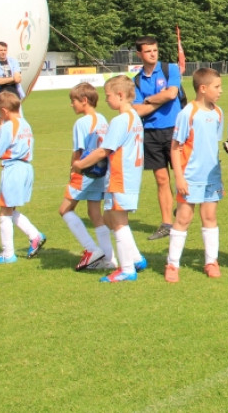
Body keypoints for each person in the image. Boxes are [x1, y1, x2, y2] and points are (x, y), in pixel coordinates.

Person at [73, 75, 147, 283]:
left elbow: (104, 151)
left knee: (118, 221)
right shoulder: (134, 117)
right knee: (111, 218)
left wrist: (80, 164)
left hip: (119, 176)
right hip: (131, 175)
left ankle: (126, 269)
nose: (106, 100)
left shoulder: (120, 120)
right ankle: (135, 258)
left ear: (121, 95)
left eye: (108, 96)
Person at [164, 68, 225, 282]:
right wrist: (179, 177)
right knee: (183, 218)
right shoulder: (187, 113)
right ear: (203, 88)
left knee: (209, 217)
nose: (220, 91)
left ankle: (211, 261)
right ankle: (172, 264)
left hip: (212, 178)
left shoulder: (218, 112)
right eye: (217, 87)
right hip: (190, 177)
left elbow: (212, 146)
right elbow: (175, 147)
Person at [131, 35, 185, 240]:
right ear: (139, 54)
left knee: (183, 175)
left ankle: (182, 210)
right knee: (161, 179)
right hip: (151, 132)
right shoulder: (136, 79)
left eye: (155, 50)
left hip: (174, 129)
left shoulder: (169, 69)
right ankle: (166, 224)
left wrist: (149, 100)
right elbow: (136, 110)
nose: (153, 54)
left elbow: (171, 94)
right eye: (148, 51)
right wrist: (157, 99)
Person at [60, 82, 115, 271]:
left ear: (84, 101)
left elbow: (79, 151)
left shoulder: (82, 122)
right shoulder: (102, 119)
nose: (71, 105)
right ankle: (109, 258)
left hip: (85, 172)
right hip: (101, 172)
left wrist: (73, 170)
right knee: (94, 213)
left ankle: (91, 250)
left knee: (65, 209)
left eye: (73, 101)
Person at [0, 91, 45, 265]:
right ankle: (35, 236)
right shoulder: (25, 124)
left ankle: (8, 253)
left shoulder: (7, 126)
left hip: (13, 168)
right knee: (9, 208)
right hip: (26, 167)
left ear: (4, 111)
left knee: (4, 210)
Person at [0, 41, 23, 127]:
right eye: (1, 50)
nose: (3, 52)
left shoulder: (13, 62)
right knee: (0, 123)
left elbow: (17, 79)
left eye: (5, 50)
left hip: (14, 95)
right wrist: (12, 78)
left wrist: (1, 80)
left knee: (18, 120)